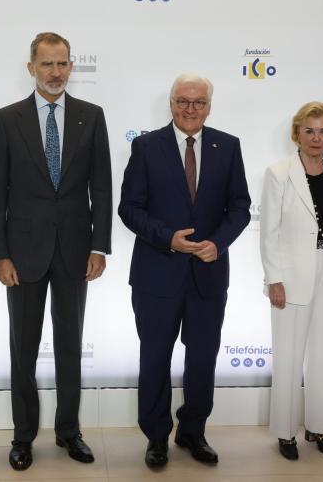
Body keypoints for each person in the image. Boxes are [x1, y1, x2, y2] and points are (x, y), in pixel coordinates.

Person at [0, 31, 112, 470]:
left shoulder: (92, 116)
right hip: (22, 255)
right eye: (47, 64)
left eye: (62, 64)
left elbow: (102, 187)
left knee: (70, 347)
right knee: (22, 349)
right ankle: (23, 436)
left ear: (71, 66)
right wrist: (0, 254)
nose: (55, 73)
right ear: (31, 68)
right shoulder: (7, 119)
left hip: (76, 251)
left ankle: (69, 432)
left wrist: (99, 246)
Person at [118, 74, 251, 468]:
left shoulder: (228, 146)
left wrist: (218, 243)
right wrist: (168, 239)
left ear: (209, 106)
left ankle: (193, 431)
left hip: (208, 275)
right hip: (156, 274)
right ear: (171, 103)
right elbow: (129, 208)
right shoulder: (146, 147)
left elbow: (240, 207)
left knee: (203, 359)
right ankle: (156, 436)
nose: (190, 109)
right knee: (155, 359)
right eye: (183, 101)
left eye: (198, 102)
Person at [260, 102, 323, 461]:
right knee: (288, 358)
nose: (316, 138)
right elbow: (269, 232)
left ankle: (319, 427)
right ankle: (285, 434)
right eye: (310, 130)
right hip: (290, 276)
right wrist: (274, 279)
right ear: (297, 133)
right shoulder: (278, 172)